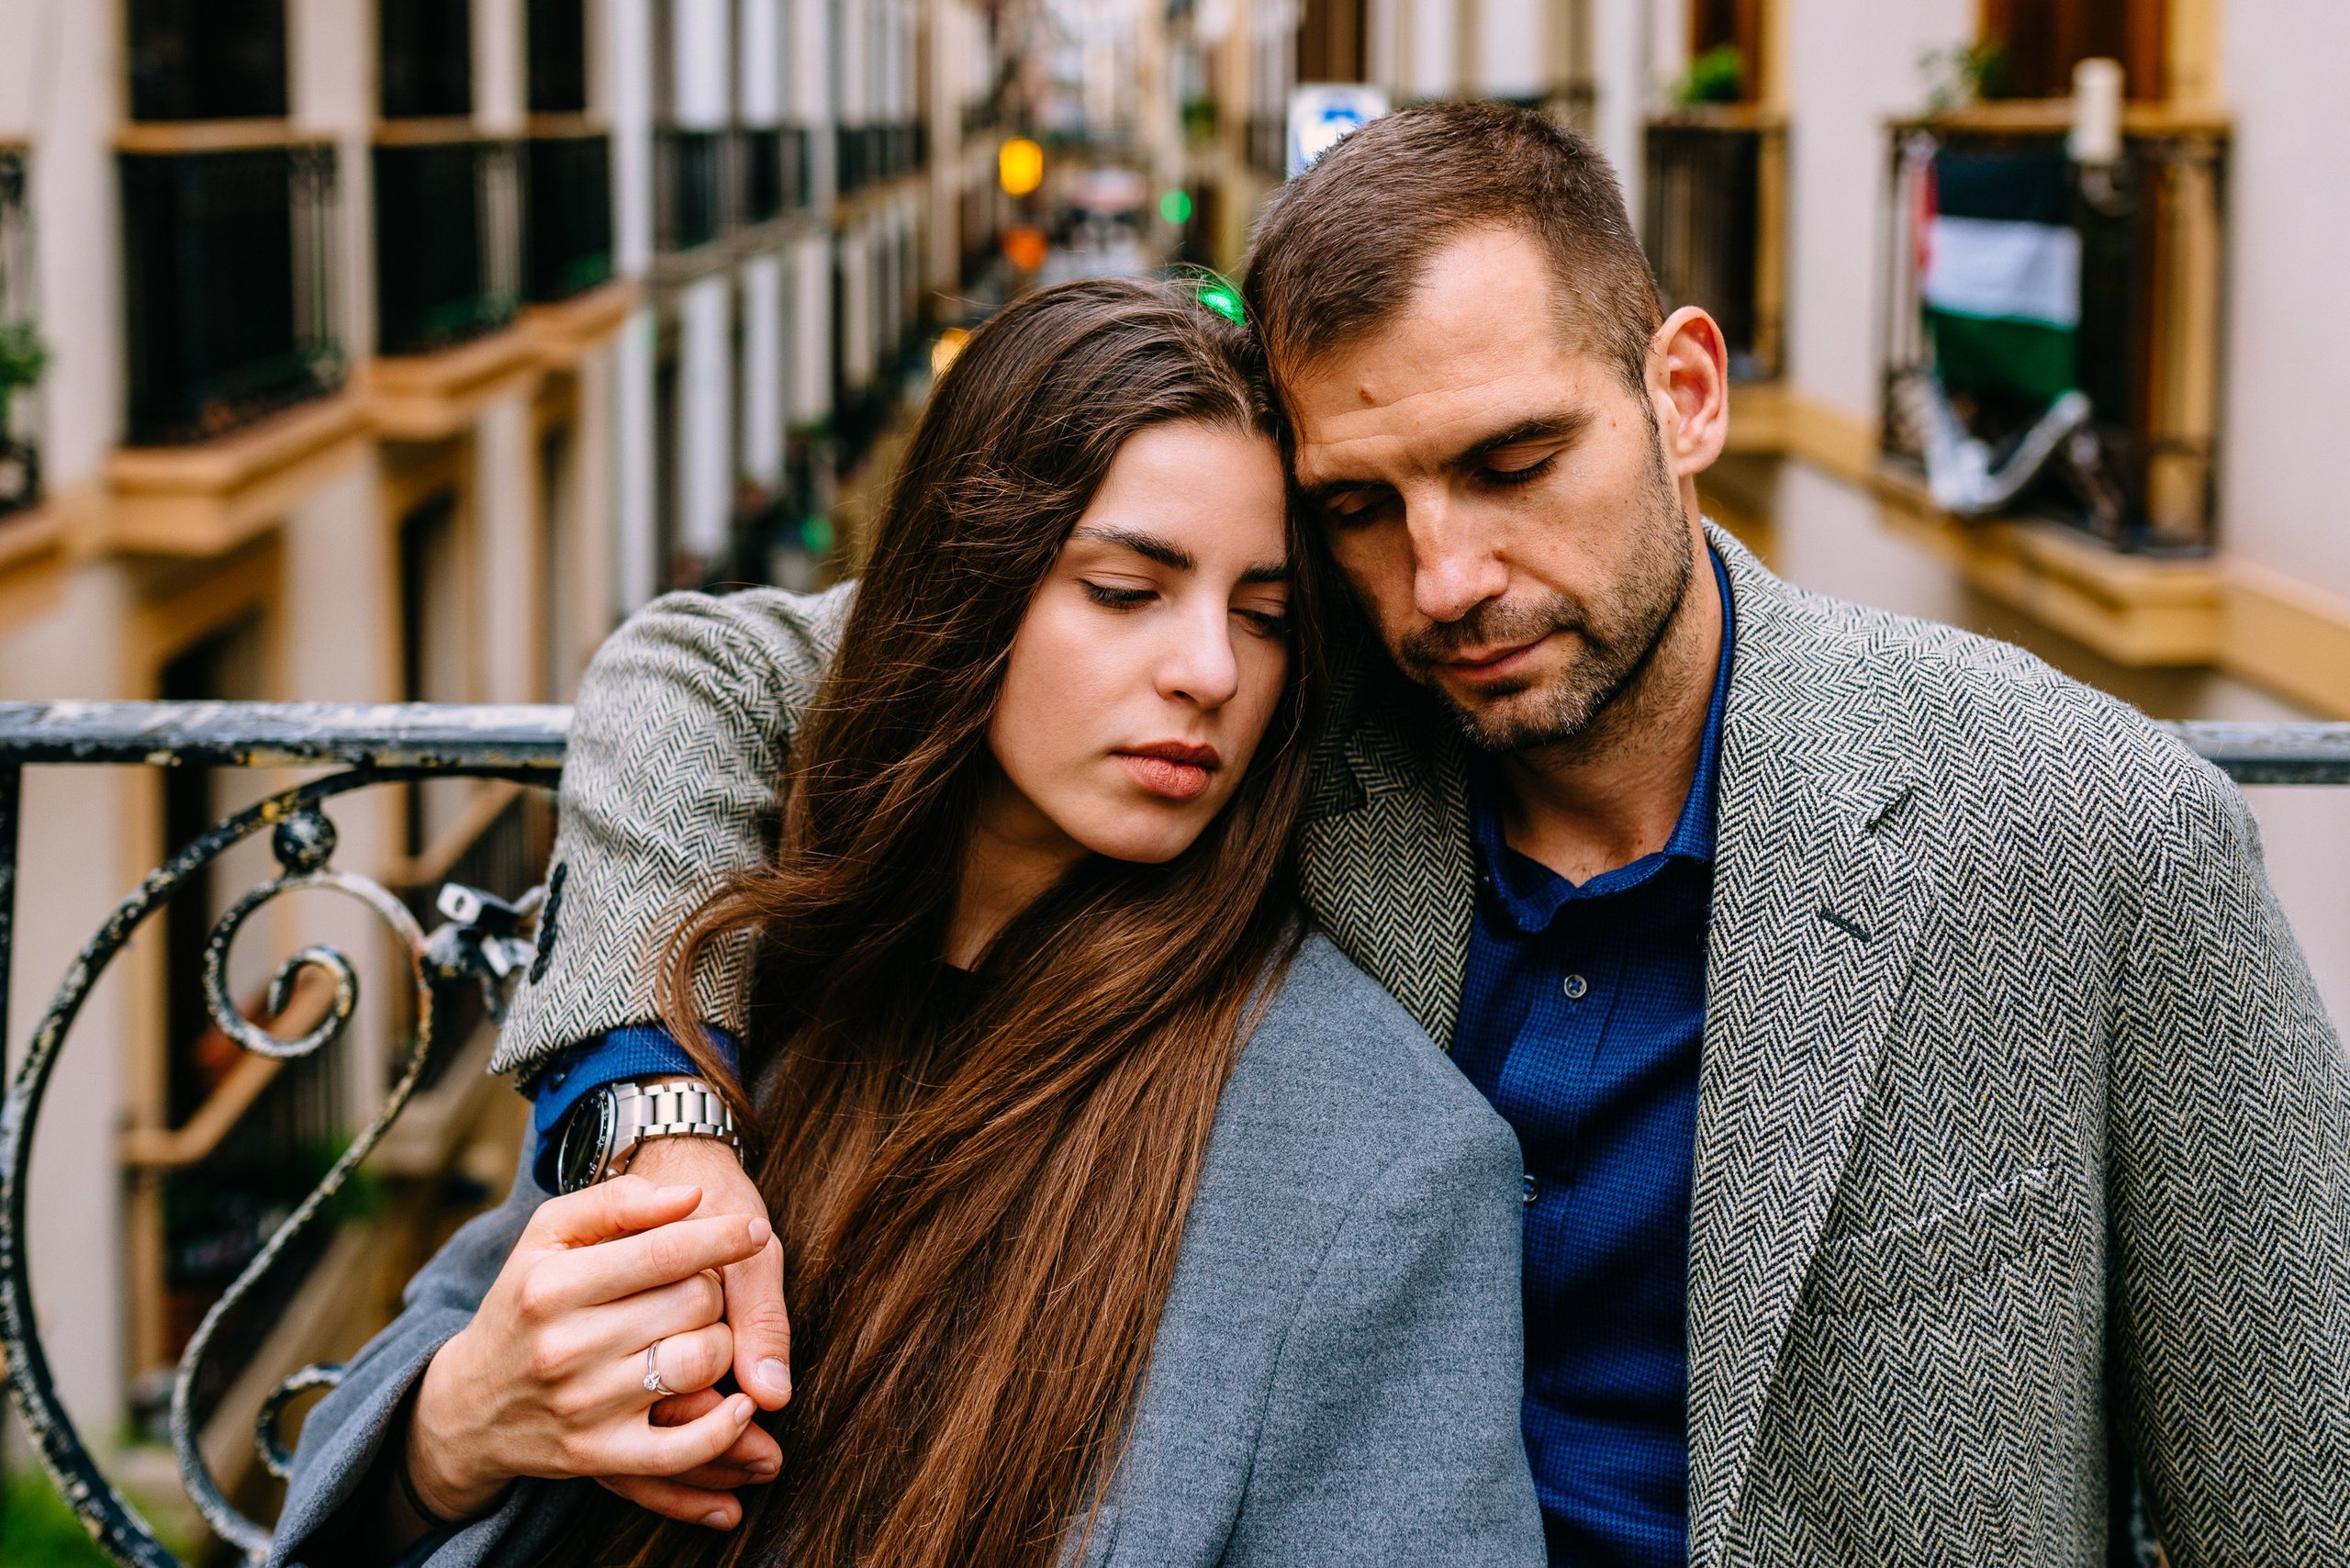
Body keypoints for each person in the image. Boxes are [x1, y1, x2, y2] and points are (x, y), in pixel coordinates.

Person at [323, 101, 2348, 1565]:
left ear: (1684, 393)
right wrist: (649, 1096)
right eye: (1358, 510)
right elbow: (734, 664)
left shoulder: (2088, 833)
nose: (1443, 577)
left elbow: (2298, 1490)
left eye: (1513, 460)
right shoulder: (1292, 708)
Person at [269, 281, 1546, 1568]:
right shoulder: (723, 973)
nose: (1210, 671)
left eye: (1264, 619)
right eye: (1124, 591)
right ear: (968, 587)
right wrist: (452, 1434)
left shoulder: (1388, 1167)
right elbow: (395, 1446)